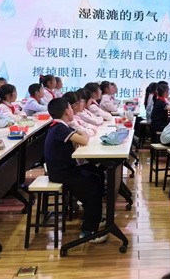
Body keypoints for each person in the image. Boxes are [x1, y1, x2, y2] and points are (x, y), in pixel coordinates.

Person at [44, 98, 106, 243]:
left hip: (64, 168)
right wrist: (80, 131)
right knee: (93, 185)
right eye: (71, 108)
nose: (73, 110)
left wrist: (79, 133)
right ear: (67, 111)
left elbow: (81, 138)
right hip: (61, 172)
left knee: (97, 173)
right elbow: (84, 139)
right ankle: (88, 231)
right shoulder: (59, 128)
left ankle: (94, 215)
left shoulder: (58, 126)